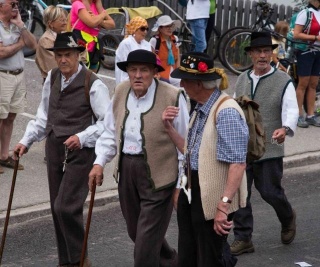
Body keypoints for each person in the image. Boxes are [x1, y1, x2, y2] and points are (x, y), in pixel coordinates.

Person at [14, 32, 110, 266]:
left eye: (68, 54)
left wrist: (82, 136)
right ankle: (66, 262)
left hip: (81, 152)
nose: (63, 59)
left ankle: (79, 260)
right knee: (57, 210)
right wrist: (26, 140)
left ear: (79, 55)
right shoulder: (53, 77)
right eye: (59, 55)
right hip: (55, 148)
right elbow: (43, 115)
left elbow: (107, 123)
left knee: (65, 207)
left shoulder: (93, 82)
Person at [88, 49, 189, 267]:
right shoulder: (121, 91)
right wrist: (99, 163)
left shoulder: (173, 96)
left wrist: (180, 184)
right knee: (137, 233)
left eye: (144, 70)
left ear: (154, 72)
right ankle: (172, 261)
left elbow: (185, 145)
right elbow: (109, 131)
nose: (137, 75)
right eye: (132, 70)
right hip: (127, 171)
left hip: (160, 176)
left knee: (144, 246)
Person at [169, 52, 248, 266]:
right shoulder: (201, 109)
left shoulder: (226, 111)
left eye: (185, 80)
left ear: (199, 83)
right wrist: (168, 128)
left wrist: (223, 206)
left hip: (212, 198)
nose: (182, 84)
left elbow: (238, 163)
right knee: (188, 254)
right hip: (193, 191)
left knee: (208, 257)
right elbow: (190, 152)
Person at [230, 31, 299, 256]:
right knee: (241, 194)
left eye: (267, 51)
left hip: (270, 145)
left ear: (271, 54)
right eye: (258, 51)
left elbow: (291, 108)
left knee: (270, 192)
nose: (263, 55)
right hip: (242, 148)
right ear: (250, 54)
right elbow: (232, 107)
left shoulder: (282, 80)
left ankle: (287, 216)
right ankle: (243, 238)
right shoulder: (241, 79)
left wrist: (285, 128)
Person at [0, 0, 37, 174]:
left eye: (17, 3)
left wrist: (22, 26)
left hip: (18, 75)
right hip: (3, 76)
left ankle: (3, 155)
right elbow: (1, 53)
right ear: (1, 6)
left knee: (11, 117)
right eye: (12, 3)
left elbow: (33, 44)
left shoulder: (17, 24)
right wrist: (20, 44)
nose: (16, 6)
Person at [293, 0, 320, 127]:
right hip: (305, 51)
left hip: (318, 52)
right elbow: (296, 34)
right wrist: (315, 38)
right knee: (303, 83)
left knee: (313, 84)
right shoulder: (305, 13)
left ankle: (310, 115)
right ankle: (299, 115)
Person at [70, 0, 115, 72]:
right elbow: (92, 22)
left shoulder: (96, 6)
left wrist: (99, 20)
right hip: (81, 45)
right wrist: (102, 15)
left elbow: (112, 24)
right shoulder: (78, 4)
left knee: (91, 77)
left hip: (94, 46)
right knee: (79, 75)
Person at [115, 16, 152, 85]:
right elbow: (125, 66)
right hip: (126, 79)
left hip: (142, 80)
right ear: (135, 29)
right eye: (142, 29)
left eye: (147, 29)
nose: (145, 32)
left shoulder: (147, 44)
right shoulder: (126, 43)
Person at [35, 5, 68, 82]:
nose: (65, 23)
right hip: (54, 80)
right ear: (51, 24)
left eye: (65, 20)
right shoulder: (46, 40)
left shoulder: (63, 34)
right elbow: (54, 65)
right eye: (62, 20)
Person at [150, 15, 181, 87]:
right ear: (160, 29)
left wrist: (179, 71)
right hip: (161, 73)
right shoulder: (154, 40)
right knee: (181, 83)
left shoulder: (175, 39)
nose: (170, 29)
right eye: (167, 26)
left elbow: (178, 58)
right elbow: (152, 58)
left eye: (171, 26)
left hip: (174, 71)